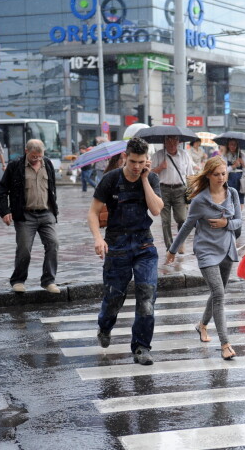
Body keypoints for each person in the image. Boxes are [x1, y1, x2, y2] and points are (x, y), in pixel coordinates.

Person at [87, 137, 164, 366]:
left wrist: (144, 180)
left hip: (144, 246)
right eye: (132, 161)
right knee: (113, 298)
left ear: (146, 160)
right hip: (117, 246)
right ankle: (104, 326)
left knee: (147, 297)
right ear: (125, 157)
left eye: (141, 162)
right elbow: (93, 212)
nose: (136, 166)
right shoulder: (110, 180)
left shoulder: (150, 178)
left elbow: (157, 210)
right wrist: (98, 239)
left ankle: (141, 347)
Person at [165, 156, 241, 360]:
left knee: (218, 293)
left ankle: (202, 325)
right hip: (206, 251)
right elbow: (187, 226)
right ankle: (225, 344)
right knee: (218, 293)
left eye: (224, 174)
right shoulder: (199, 200)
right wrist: (172, 250)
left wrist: (227, 224)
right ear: (208, 175)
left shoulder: (232, 193)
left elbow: (239, 223)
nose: (221, 178)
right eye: (216, 174)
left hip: (226, 249)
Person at [0, 139, 59, 294]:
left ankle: (48, 281)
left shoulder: (48, 164)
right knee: (24, 249)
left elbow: (52, 188)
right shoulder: (15, 166)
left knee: (53, 244)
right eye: (33, 156)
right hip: (25, 215)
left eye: (39, 156)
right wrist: (5, 211)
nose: (37, 159)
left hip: (46, 213)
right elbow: (2, 190)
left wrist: (53, 208)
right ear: (26, 151)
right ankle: (18, 280)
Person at [151, 135, 195, 254]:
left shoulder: (184, 155)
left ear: (179, 142)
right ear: (164, 142)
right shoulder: (158, 155)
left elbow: (190, 174)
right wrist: (160, 168)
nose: (172, 143)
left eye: (174, 140)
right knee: (165, 220)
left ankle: (180, 243)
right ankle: (170, 247)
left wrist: (191, 191)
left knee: (182, 218)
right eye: (168, 140)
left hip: (180, 190)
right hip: (162, 189)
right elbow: (149, 173)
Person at [223, 138, 245, 210]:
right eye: (231, 145)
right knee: (229, 195)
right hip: (229, 178)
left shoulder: (242, 155)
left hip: (240, 179)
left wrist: (243, 164)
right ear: (228, 145)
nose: (233, 147)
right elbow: (224, 170)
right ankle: (230, 212)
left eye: (234, 145)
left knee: (240, 197)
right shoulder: (225, 156)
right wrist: (233, 166)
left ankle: (240, 213)